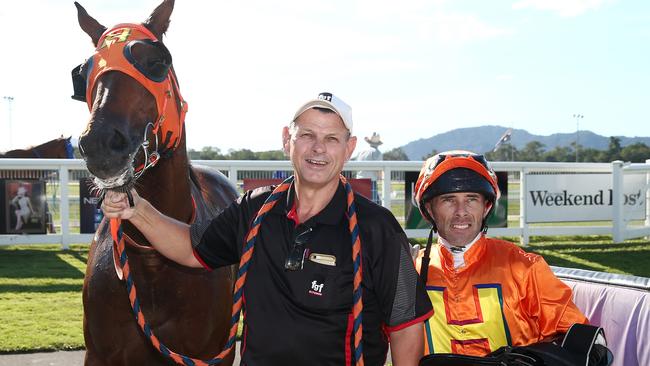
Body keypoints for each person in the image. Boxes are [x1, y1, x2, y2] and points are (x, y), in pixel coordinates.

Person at [101, 92, 433, 366]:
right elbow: (191, 248)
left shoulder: (379, 229)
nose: (318, 148)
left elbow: (406, 325)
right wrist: (137, 209)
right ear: (288, 140)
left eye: (332, 139)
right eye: (308, 135)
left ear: (349, 148)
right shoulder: (254, 209)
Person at [413, 150, 588, 357]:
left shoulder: (525, 267)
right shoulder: (411, 269)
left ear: (486, 207)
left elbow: (580, 340)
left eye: (471, 199)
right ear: (429, 210)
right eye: (448, 200)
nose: (461, 211)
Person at [355, 132, 383, 204]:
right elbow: (379, 169)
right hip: (371, 181)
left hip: (359, 180)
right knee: (375, 204)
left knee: (361, 204)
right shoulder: (377, 152)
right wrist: (380, 177)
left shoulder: (361, 152)